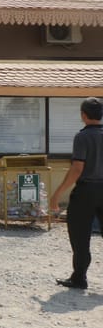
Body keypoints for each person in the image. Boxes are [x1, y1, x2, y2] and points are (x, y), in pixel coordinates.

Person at [50, 97, 103, 290]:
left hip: (86, 190)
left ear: (83, 115)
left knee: (80, 235)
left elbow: (77, 169)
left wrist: (57, 194)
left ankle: (79, 277)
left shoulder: (82, 137)